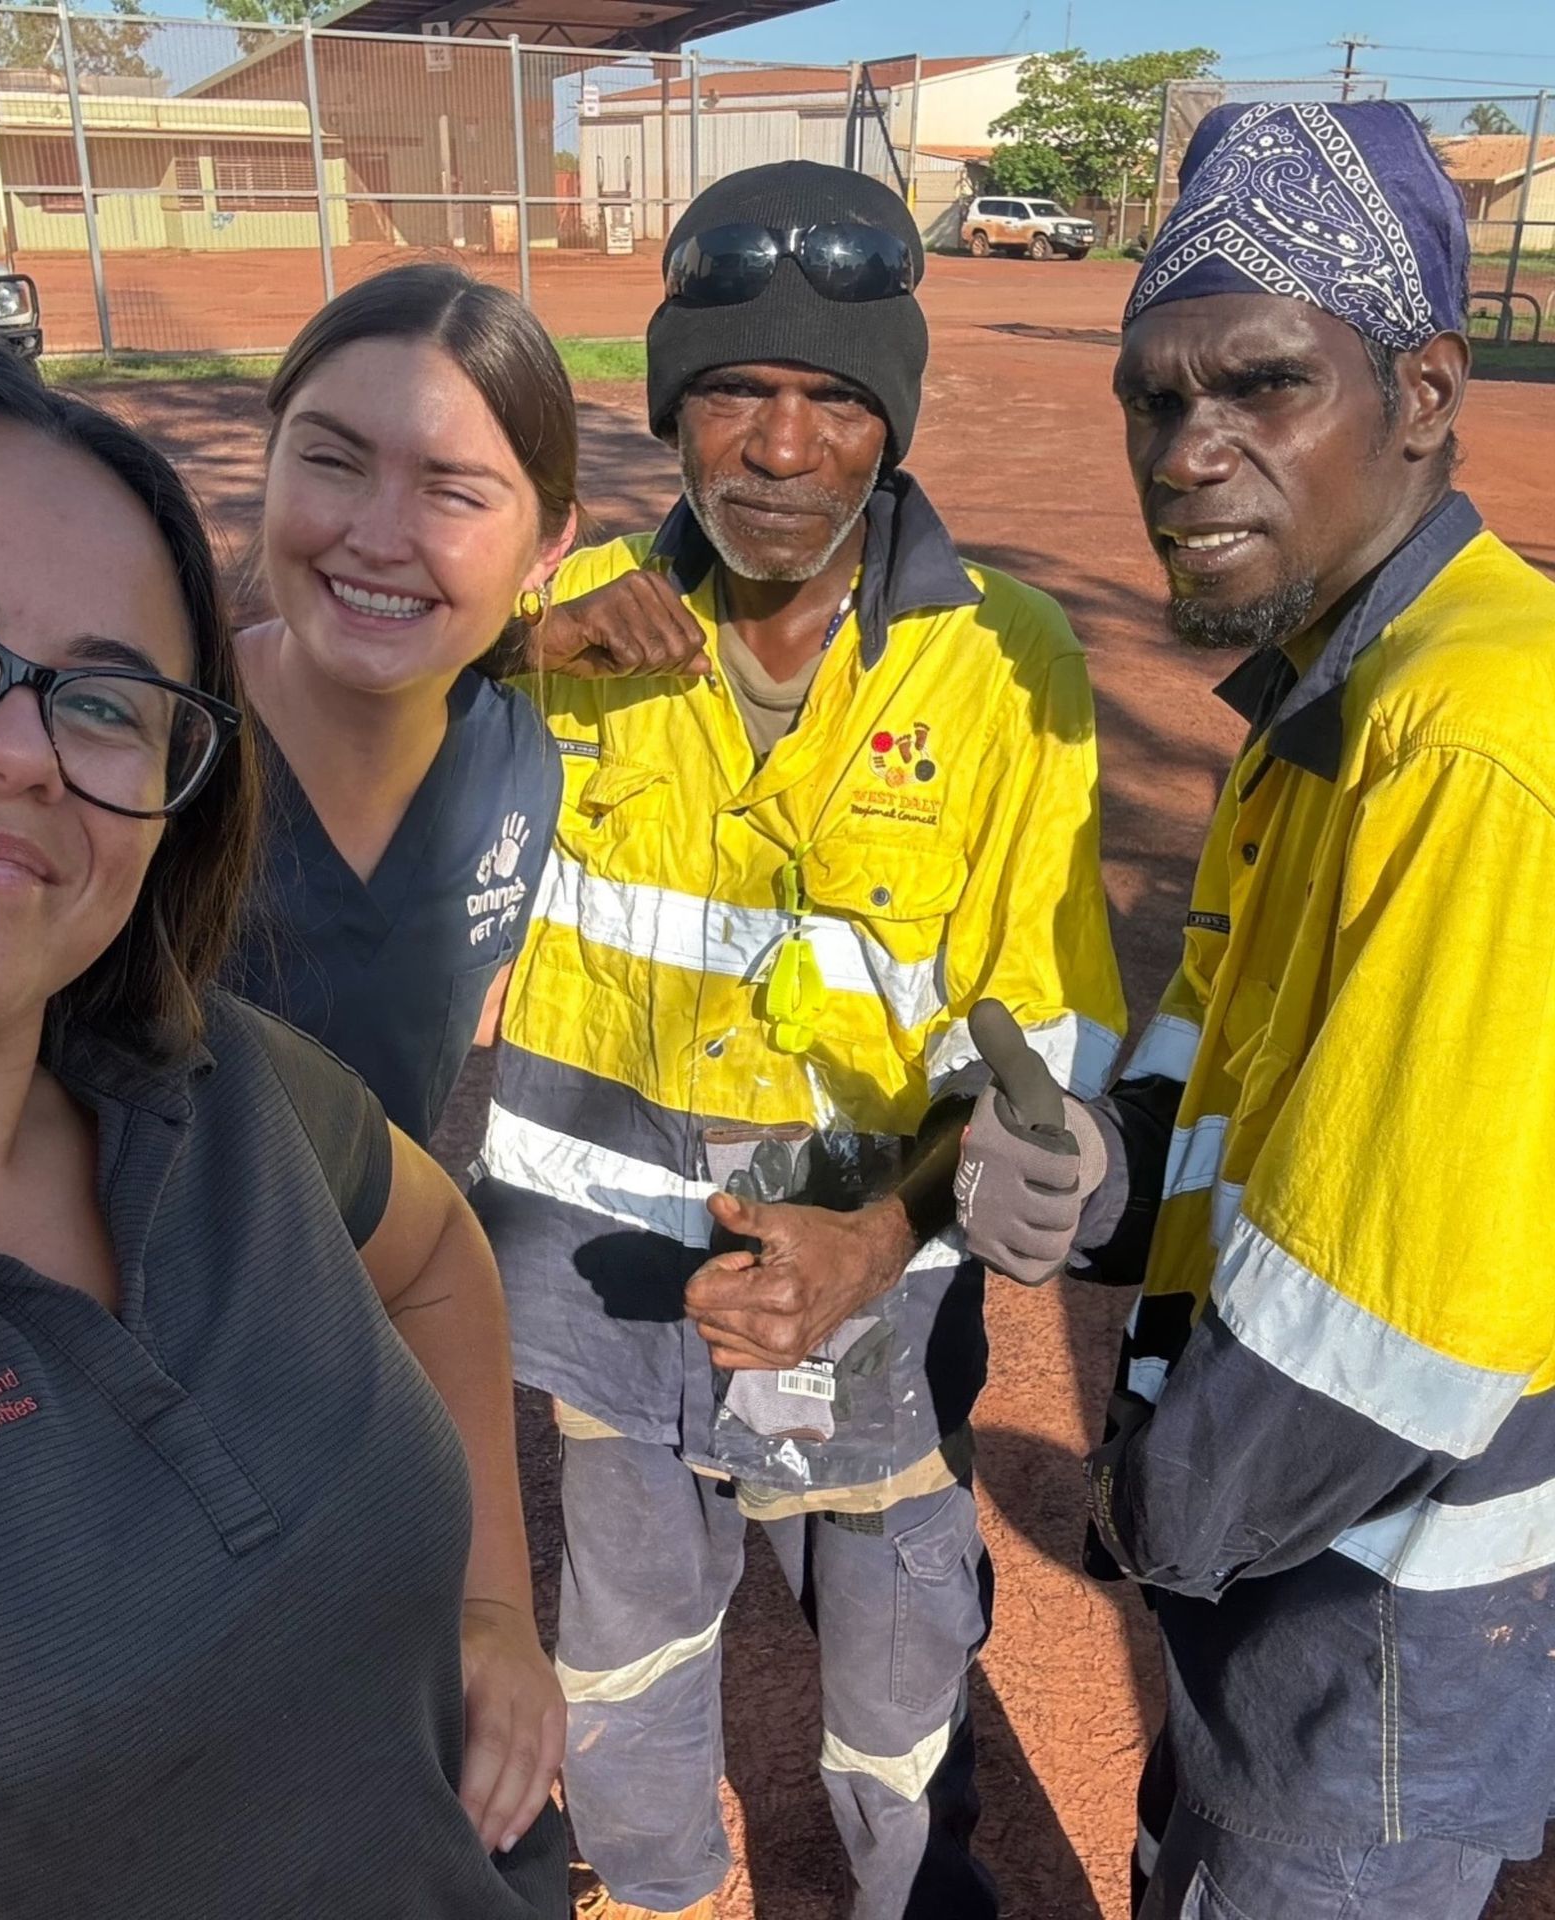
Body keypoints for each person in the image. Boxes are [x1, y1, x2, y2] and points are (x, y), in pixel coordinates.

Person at [0, 327, 567, 1920]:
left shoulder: (218, 1083)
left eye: (111, 702)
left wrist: (495, 1606)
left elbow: (431, 1255)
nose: (13, 749)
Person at [472, 160, 1127, 1920]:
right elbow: (315, 757)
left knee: (900, 1665)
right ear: (672, 405)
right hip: (606, 1290)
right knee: (625, 1651)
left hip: (881, 1294)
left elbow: (1038, 1053)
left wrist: (881, 1230)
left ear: (893, 424)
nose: (779, 446)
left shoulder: (1010, 668)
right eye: (735, 392)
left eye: (836, 399)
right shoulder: (562, 622)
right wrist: (497, 653)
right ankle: (662, 1891)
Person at [953, 100, 1555, 1919]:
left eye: (1264, 386)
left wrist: (1157, 1507)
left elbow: (1382, 1325)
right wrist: (1097, 1165)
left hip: (1370, 1630)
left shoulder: (1470, 744)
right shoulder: (1333, 691)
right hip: (1312, 1590)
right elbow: (1223, 1036)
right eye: (1155, 398)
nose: (1191, 450)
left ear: (1423, 394)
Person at [230, 263, 602, 1146]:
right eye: (331, 460)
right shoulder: (148, 744)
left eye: (453, 492)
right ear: (272, 459)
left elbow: (457, 1037)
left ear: (549, 546)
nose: (378, 538)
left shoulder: (515, 766)